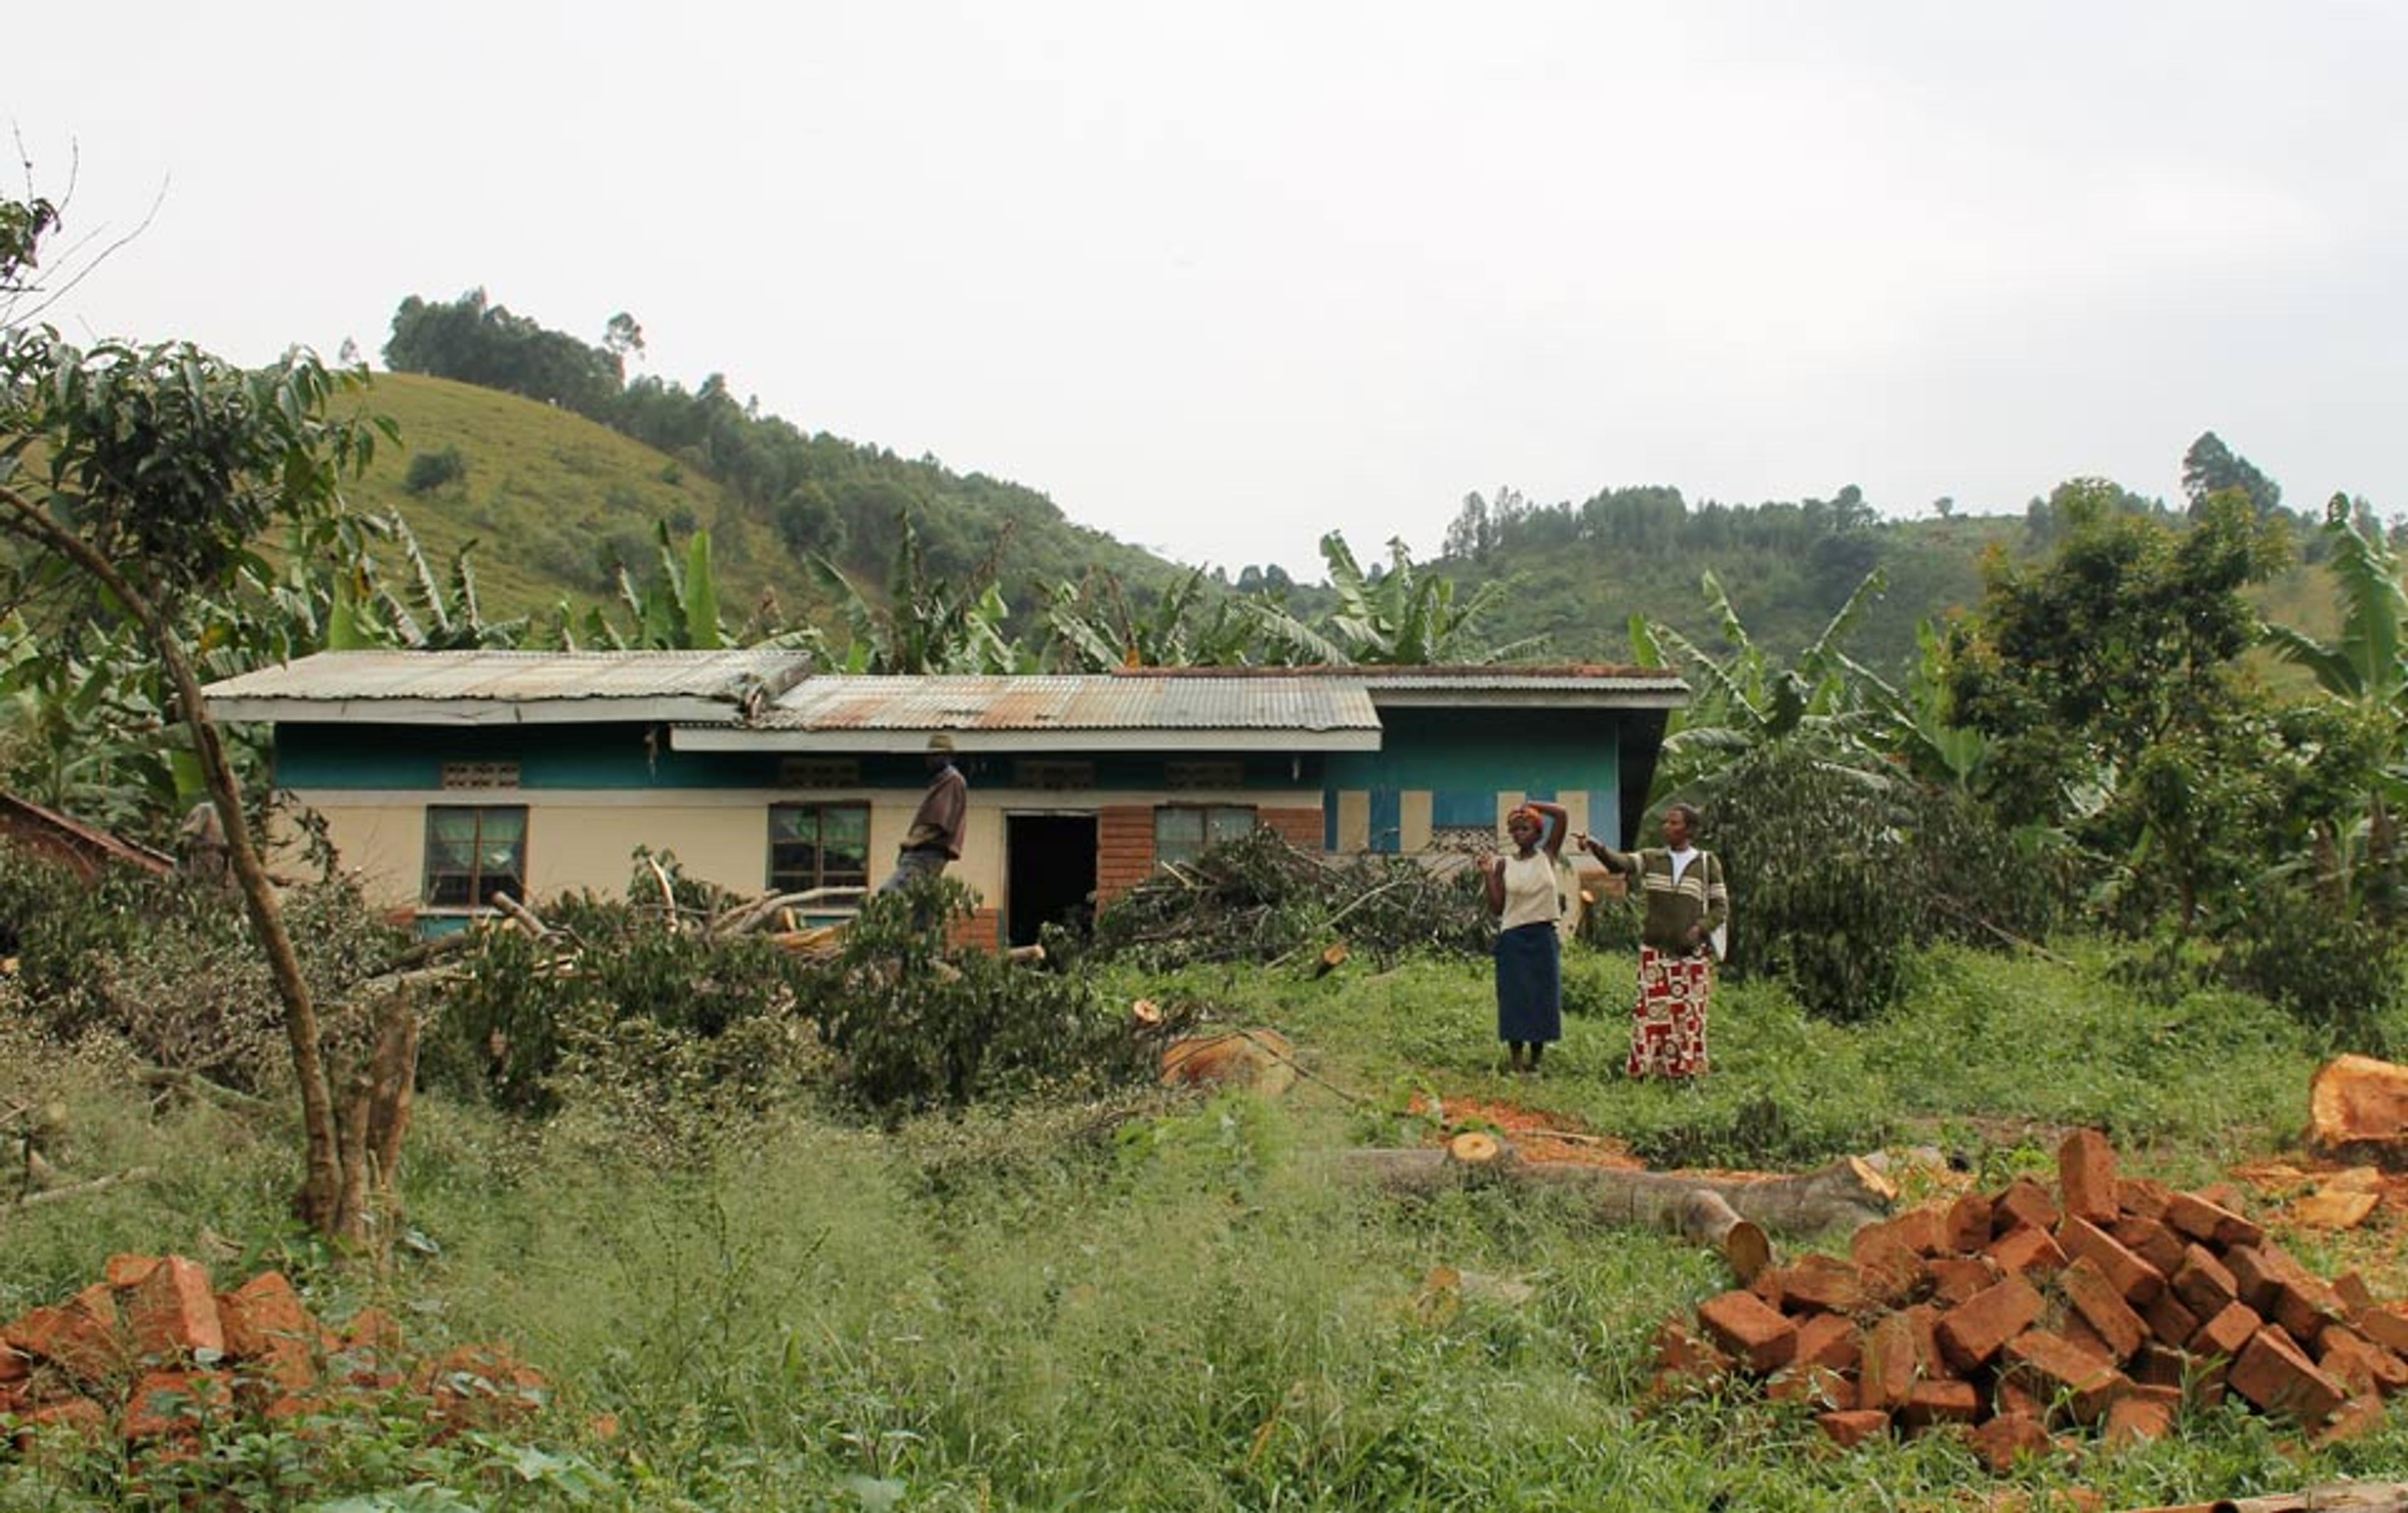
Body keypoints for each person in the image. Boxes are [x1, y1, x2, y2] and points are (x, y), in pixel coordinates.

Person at [1574, 802, 1727, 1079]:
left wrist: (1701, 929)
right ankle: (1646, 1070)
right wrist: (1596, 846)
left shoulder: (1706, 863)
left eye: (1674, 823)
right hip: (1656, 951)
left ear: (1690, 829)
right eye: (1666, 822)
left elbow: (1720, 907)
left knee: (1687, 1016)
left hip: (1690, 955)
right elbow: (1620, 863)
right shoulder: (1653, 858)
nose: (1666, 827)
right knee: (1651, 1014)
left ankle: (1684, 1072)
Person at [1482, 800, 1568, 1075]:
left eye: (1525, 827)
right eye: (1515, 829)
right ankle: (1516, 1060)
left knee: (1543, 996)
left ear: (1538, 833)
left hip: (1543, 937)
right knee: (1515, 997)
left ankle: (1537, 1059)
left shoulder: (1548, 855)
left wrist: (1531, 804)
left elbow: (1562, 815)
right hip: (1513, 939)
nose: (1519, 833)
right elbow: (1497, 908)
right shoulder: (1503, 865)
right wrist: (1487, 875)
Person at [877, 731, 968, 904]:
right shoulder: (944, 780)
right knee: (921, 906)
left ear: (947, 757)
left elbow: (939, 823)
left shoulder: (952, 780)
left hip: (926, 853)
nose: (929, 760)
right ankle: (920, 931)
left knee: (889, 894)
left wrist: (911, 843)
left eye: (935, 756)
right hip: (928, 853)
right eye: (929, 756)